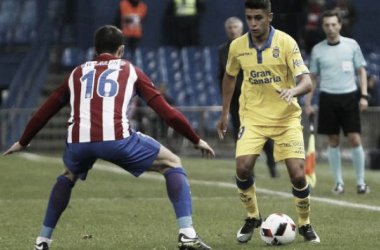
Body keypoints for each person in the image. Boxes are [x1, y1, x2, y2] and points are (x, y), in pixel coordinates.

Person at [3, 25, 214, 250]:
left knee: (68, 174)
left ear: (95, 50)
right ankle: (187, 234)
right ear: (121, 50)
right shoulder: (129, 69)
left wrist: (23, 140)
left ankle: (42, 240)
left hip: (78, 143)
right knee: (172, 163)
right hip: (116, 141)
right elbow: (167, 112)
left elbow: (45, 111)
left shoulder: (77, 72)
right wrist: (195, 138)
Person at [216, 0, 320, 244]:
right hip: (252, 116)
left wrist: (293, 91)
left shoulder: (286, 42)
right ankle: (253, 217)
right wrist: (224, 113)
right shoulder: (237, 46)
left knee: (297, 175)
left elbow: (306, 82)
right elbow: (229, 77)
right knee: (242, 168)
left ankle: (304, 223)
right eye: (249, 17)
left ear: (269, 17)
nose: (253, 23)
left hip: (286, 117)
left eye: (258, 18)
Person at [305, 9, 369, 195]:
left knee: (355, 138)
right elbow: (313, 78)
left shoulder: (352, 45)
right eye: (327, 25)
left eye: (334, 24)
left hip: (349, 97)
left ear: (340, 25)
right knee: (333, 141)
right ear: (323, 27)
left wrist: (363, 95)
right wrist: (308, 103)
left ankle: (360, 183)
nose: (330, 28)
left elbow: (362, 71)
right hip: (328, 98)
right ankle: (339, 183)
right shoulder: (318, 50)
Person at [218, 16, 279, 178]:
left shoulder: (252, 47)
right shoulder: (223, 50)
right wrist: (226, 99)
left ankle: (272, 166)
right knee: (241, 134)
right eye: (230, 27)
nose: (232, 30)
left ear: (241, 29)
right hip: (235, 100)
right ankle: (247, 169)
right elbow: (221, 76)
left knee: (263, 133)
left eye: (235, 27)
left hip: (255, 98)